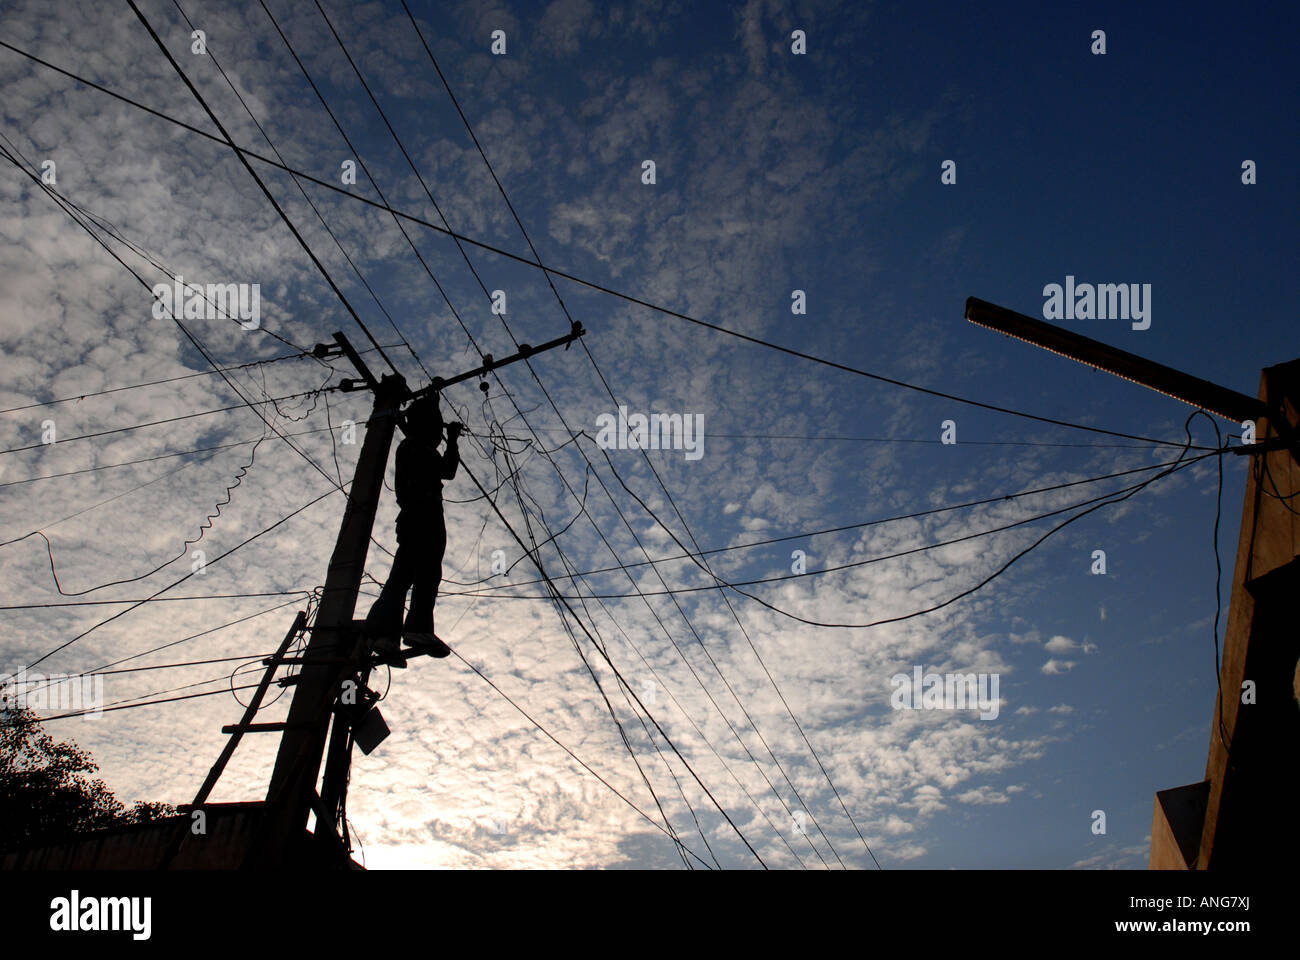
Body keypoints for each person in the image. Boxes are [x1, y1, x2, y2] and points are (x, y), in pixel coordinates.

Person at [364, 395, 461, 660]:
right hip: (422, 515)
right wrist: (452, 440)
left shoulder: (414, 446)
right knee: (419, 574)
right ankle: (405, 630)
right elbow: (448, 470)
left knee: (410, 575)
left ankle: (388, 633)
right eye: (435, 427)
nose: (438, 434)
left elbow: (446, 470)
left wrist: (450, 439)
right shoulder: (415, 446)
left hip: (419, 516)